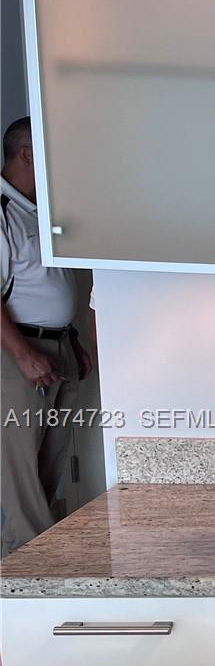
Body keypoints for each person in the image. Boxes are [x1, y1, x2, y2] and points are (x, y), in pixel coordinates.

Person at [1, 117, 93, 555]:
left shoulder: (37, 210)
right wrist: (22, 355)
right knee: (18, 461)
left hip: (54, 346)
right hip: (19, 351)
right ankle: (28, 556)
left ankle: (38, 548)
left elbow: (42, 282)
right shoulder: (2, 210)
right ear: (25, 154)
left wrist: (70, 337)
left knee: (51, 454)